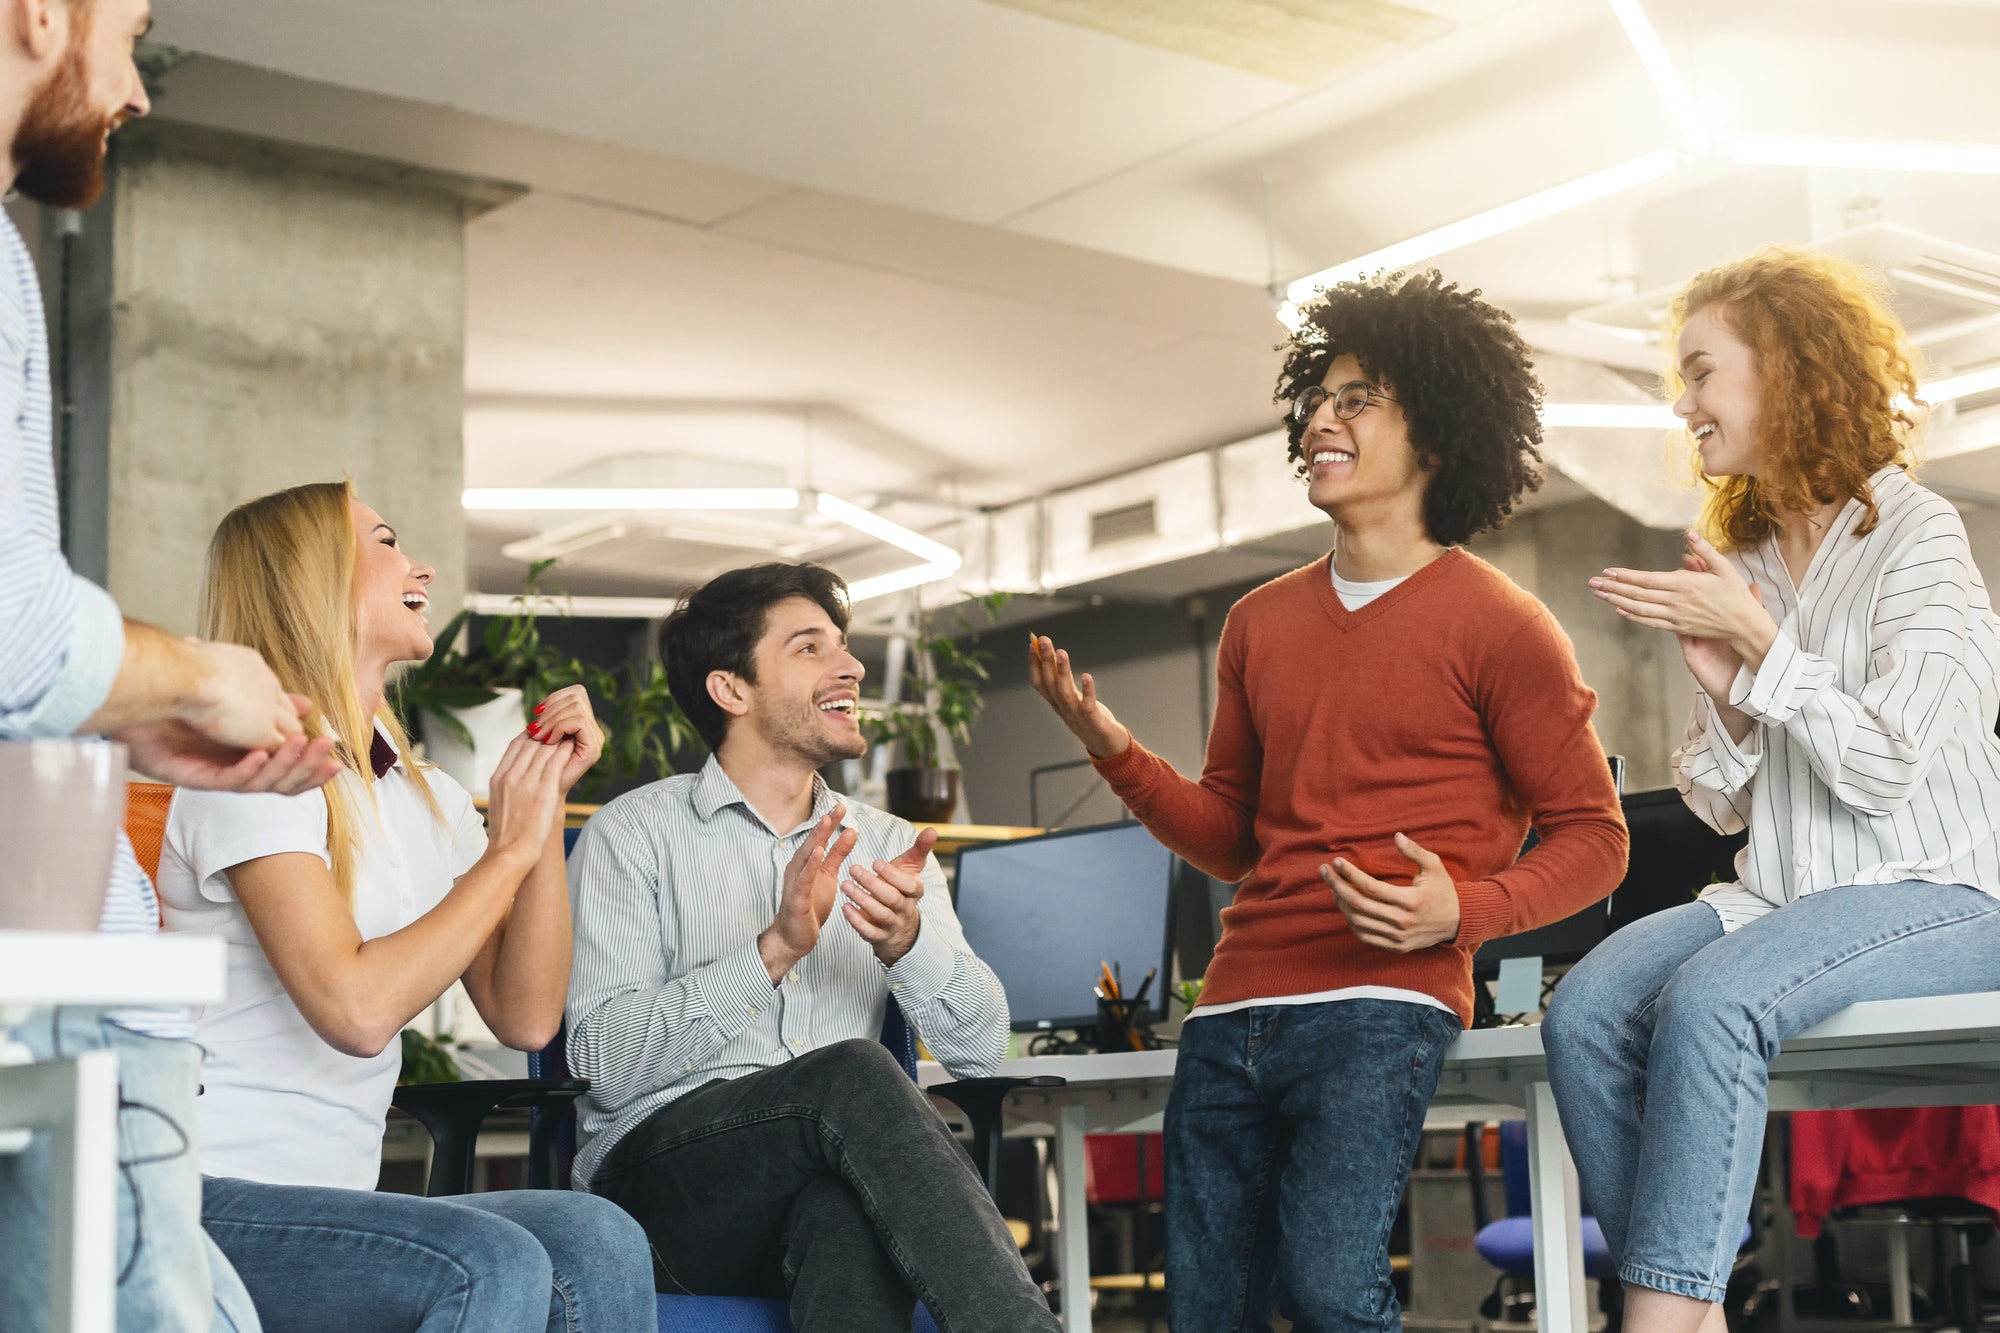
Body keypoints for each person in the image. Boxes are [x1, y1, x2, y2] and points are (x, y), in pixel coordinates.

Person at [1028, 270, 1630, 1331]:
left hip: (1380, 1004)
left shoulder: (1500, 624)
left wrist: (1467, 911)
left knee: (1326, 1290)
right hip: (1232, 1005)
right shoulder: (1257, 623)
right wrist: (1117, 754)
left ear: (1434, 434)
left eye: (1357, 398)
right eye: (1316, 397)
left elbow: (1593, 836)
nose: (1318, 417)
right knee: (1210, 1312)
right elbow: (1230, 836)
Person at [1546, 248, 2000, 1333]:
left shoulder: (1917, 537)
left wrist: (1770, 654)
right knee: (1586, 1011)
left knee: (1710, 1000)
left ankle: (1657, 1321)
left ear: (1787, 373)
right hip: (1784, 898)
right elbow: (1713, 802)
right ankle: (1696, 1298)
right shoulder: (1742, 560)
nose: (1681, 400)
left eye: (1701, 372)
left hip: (1940, 891)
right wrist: (1737, 696)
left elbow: (1888, 763)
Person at [0, 3, 337, 1329]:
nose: (138, 87)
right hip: (62, 1002)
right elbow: (16, 627)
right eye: (129, 30)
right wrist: (193, 674)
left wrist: (124, 715)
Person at [155, 480, 657, 1333]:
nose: (420, 564)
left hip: (337, 1202)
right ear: (315, 579)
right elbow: (355, 1009)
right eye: (388, 543)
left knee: (594, 1237)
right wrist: (504, 851)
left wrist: (536, 814)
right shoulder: (255, 765)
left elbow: (527, 1015)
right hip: (205, 1196)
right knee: (488, 1260)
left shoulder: (422, 795)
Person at [566, 561, 1060, 1333]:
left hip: (829, 1179)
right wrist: (772, 951)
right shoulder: (632, 835)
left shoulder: (892, 845)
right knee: (854, 1070)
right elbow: (601, 1064)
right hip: (666, 1202)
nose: (852, 666)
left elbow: (983, 1049)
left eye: (843, 644)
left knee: (841, 1211)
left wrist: (909, 943)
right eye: (808, 647)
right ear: (732, 690)